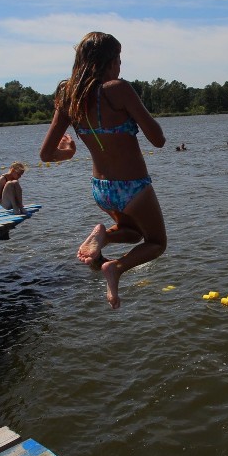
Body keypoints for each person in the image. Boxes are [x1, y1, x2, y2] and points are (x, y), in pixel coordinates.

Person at [39, 31, 167, 309]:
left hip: (101, 189)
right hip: (133, 187)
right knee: (156, 242)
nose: (120, 66)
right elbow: (158, 140)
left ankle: (103, 234)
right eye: (118, 60)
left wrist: (70, 151)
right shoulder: (118, 89)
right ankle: (116, 268)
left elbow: (47, 154)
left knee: (133, 233)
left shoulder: (68, 96)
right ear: (107, 62)